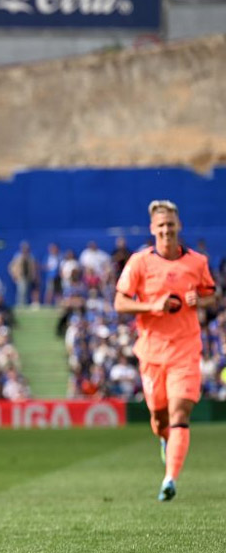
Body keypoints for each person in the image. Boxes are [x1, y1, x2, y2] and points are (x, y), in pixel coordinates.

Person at [114, 200, 216, 501]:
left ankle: (169, 479)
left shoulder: (197, 262)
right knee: (159, 420)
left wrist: (201, 301)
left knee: (180, 411)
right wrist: (151, 306)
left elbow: (211, 295)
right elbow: (120, 303)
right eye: (161, 225)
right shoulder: (140, 262)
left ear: (178, 225)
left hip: (185, 349)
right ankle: (165, 441)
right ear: (152, 229)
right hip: (152, 352)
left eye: (171, 224)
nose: (167, 230)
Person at [8, 241, 38, 307]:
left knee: (26, 291)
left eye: (26, 248)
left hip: (28, 276)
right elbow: (11, 267)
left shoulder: (31, 257)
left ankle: (25, 304)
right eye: (24, 248)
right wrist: (14, 275)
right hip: (20, 276)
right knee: (21, 291)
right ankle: (20, 304)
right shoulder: (17, 256)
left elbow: (33, 267)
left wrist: (34, 275)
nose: (25, 250)